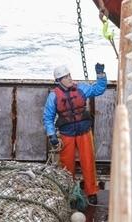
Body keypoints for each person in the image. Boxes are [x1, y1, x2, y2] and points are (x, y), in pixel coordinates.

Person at [42, 63, 107, 205]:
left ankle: (92, 192)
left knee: (88, 162)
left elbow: (99, 89)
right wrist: (52, 135)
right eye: (65, 77)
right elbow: (48, 117)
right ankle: (69, 193)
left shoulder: (81, 89)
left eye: (69, 75)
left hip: (84, 131)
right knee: (66, 166)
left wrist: (101, 75)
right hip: (67, 134)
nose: (69, 78)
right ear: (59, 81)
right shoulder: (53, 97)